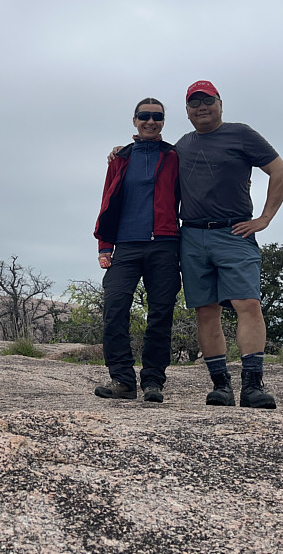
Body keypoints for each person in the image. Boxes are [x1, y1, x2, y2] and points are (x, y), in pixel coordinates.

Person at [109, 80, 283, 409]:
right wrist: (123, 151)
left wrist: (264, 219)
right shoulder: (182, 146)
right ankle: (220, 386)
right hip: (191, 235)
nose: (202, 107)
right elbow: (152, 161)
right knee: (206, 311)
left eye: (207, 100)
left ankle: (253, 385)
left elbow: (280, 173)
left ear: (220, 103)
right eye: (194, 103)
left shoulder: (242, 134)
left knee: (247, 304)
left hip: (234, 232)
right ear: (187, 111)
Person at [92, 97, 181, 403]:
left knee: (160, 314)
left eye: (157, 117)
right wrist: (105, 246)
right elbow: (108, 199)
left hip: (165, 245)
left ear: (163, 122)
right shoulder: (120, 158)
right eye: (145, 116)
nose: (150, 121)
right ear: (134, 120)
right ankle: (122, 380)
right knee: (115, 307)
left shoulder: (174, 156)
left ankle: (153, 381)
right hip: (126, 246)